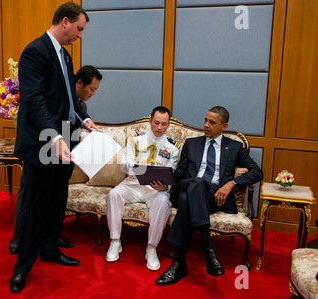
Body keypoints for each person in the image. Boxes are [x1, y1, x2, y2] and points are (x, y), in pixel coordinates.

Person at [9, 2, 95, 293]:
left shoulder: (66, 57)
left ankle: (49, 249)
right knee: (36, 205)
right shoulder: (34, 52)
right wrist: (55, 138)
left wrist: (84, 119)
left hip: (67, 137)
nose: (79, 36)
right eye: (79, 29)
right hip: (45, 142)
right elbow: (35, 101)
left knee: (58, 198)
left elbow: (69, 98)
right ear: (66, 21)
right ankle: (22, 267)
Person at [155, 106, 263, 286]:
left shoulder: (235, 147)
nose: (206, 125)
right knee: (195, 184)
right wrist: (164, 180)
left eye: (212, 122)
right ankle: (208, 249)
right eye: (205, 120)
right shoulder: (192, 143)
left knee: (186, 200)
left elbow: (257, 172)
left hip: (213, 196)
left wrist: (231, 184)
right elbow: (180, 172)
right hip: (187, 186)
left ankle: (178, 263)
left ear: (224, 125)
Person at [8, 65, 102, 254]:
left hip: (65, 159)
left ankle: (52, 236)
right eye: (91, 89)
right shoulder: (55, 99)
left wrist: (87, 123)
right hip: (44, 152)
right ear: (79, 82)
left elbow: (77, 117)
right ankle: (18, 238)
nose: (92, 94)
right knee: (29, 196)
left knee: (57, 199)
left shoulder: (81, 105)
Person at [106, 106, 180, 271]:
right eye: (156, 123)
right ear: (150, 121)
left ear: (169, 125)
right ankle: (115, 241)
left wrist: (165, 185)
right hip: (132, 184)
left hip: (155, 190)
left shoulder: (172, 147)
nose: (159, 128)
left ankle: (151, 248)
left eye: (164, 124)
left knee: (162, 201)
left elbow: (171, 171)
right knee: (113, 195)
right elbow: (124, 165)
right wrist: (143, 169)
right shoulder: (135, 139)